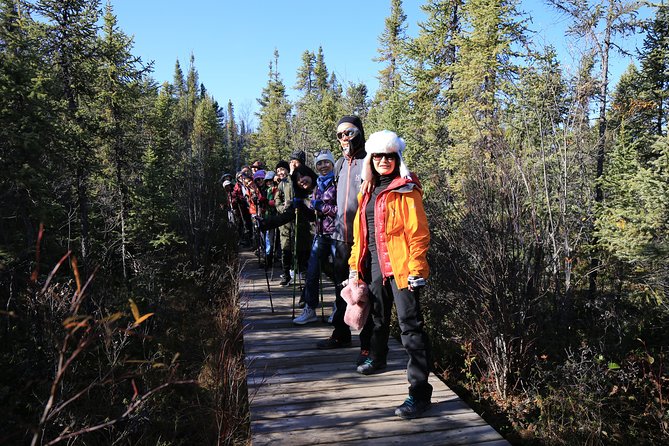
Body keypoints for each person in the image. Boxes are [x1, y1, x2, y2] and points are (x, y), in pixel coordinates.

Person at [348, 130, 432, 419]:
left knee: (410, 328)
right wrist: (353, 266)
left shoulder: (406, 189)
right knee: (378, 317)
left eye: (390, 156)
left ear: (397, 158)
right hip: (373, 266)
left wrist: (416, 269)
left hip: (402, 269)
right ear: (370, 160)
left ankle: (419, 394)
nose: (384, 160)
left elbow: (418, 234)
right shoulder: (366, 192)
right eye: (378, 156)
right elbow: (361, 235)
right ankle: (379, 358)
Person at [316, 116, 372, 367]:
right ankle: (341, 334)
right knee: (342, 290)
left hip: (365, 240)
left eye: (348, 133)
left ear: (358, 132)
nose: (344, 138)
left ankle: (368, 347)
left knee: (366, 293)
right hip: (340, 237)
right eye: (339, 135)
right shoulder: (339, 164)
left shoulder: (369, 159)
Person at [293, 150, 338, 325]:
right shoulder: (318, 185)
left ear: (332, 164)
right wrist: (304, 207)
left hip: (337, 234)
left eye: (326, 162)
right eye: (319, 163)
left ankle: (339, 308)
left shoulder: (338, 182)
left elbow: (342, 211)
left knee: (338, 273)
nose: (323, 166)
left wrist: (323, 207)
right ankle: (310, 309)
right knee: (311, 273)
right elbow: (314, 215)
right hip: (320, 234)